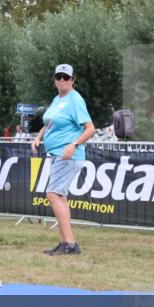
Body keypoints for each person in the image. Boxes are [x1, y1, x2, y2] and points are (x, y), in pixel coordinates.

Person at [30, 64, 95, 255]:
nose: (62, 80)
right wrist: (38, 137)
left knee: (53, 195)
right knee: (60, 196)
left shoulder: (75, 100)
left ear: (73, 80)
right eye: (59, 76)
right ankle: (68, 242)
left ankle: (70, 244)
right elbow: (50, 122)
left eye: (66, 77)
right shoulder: (57, 99)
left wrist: (74, 144)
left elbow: (91, 129)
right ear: (54, 79)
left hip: (68, 155)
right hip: (57, 154)